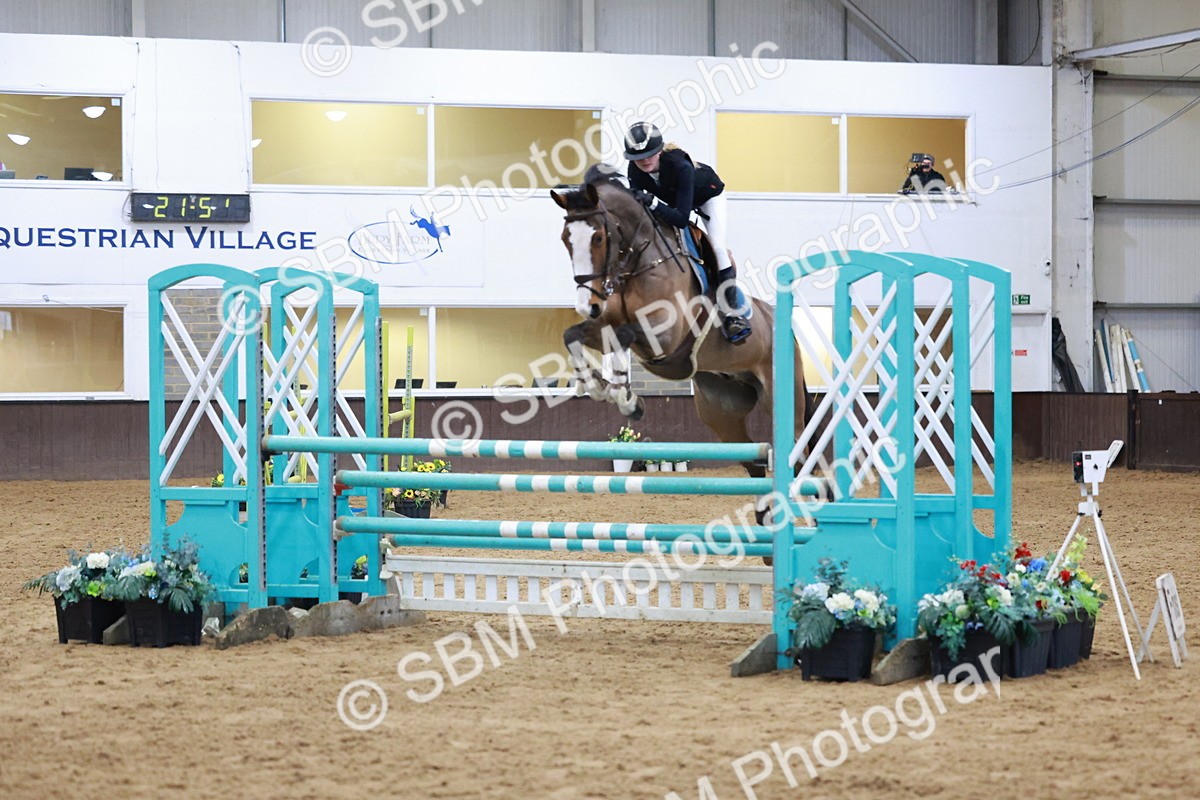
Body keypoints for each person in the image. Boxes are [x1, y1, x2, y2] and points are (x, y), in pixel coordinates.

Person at [623, 121, 750, 344]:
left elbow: (681, 219)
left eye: (649, 154)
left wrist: (652, 202)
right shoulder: (635, 170)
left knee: (718, 247)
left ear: (659, 151)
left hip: (708, 197)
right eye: (638, 157)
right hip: (676, 202)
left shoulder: (680, 166)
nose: (644, 160)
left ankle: (733, 315)